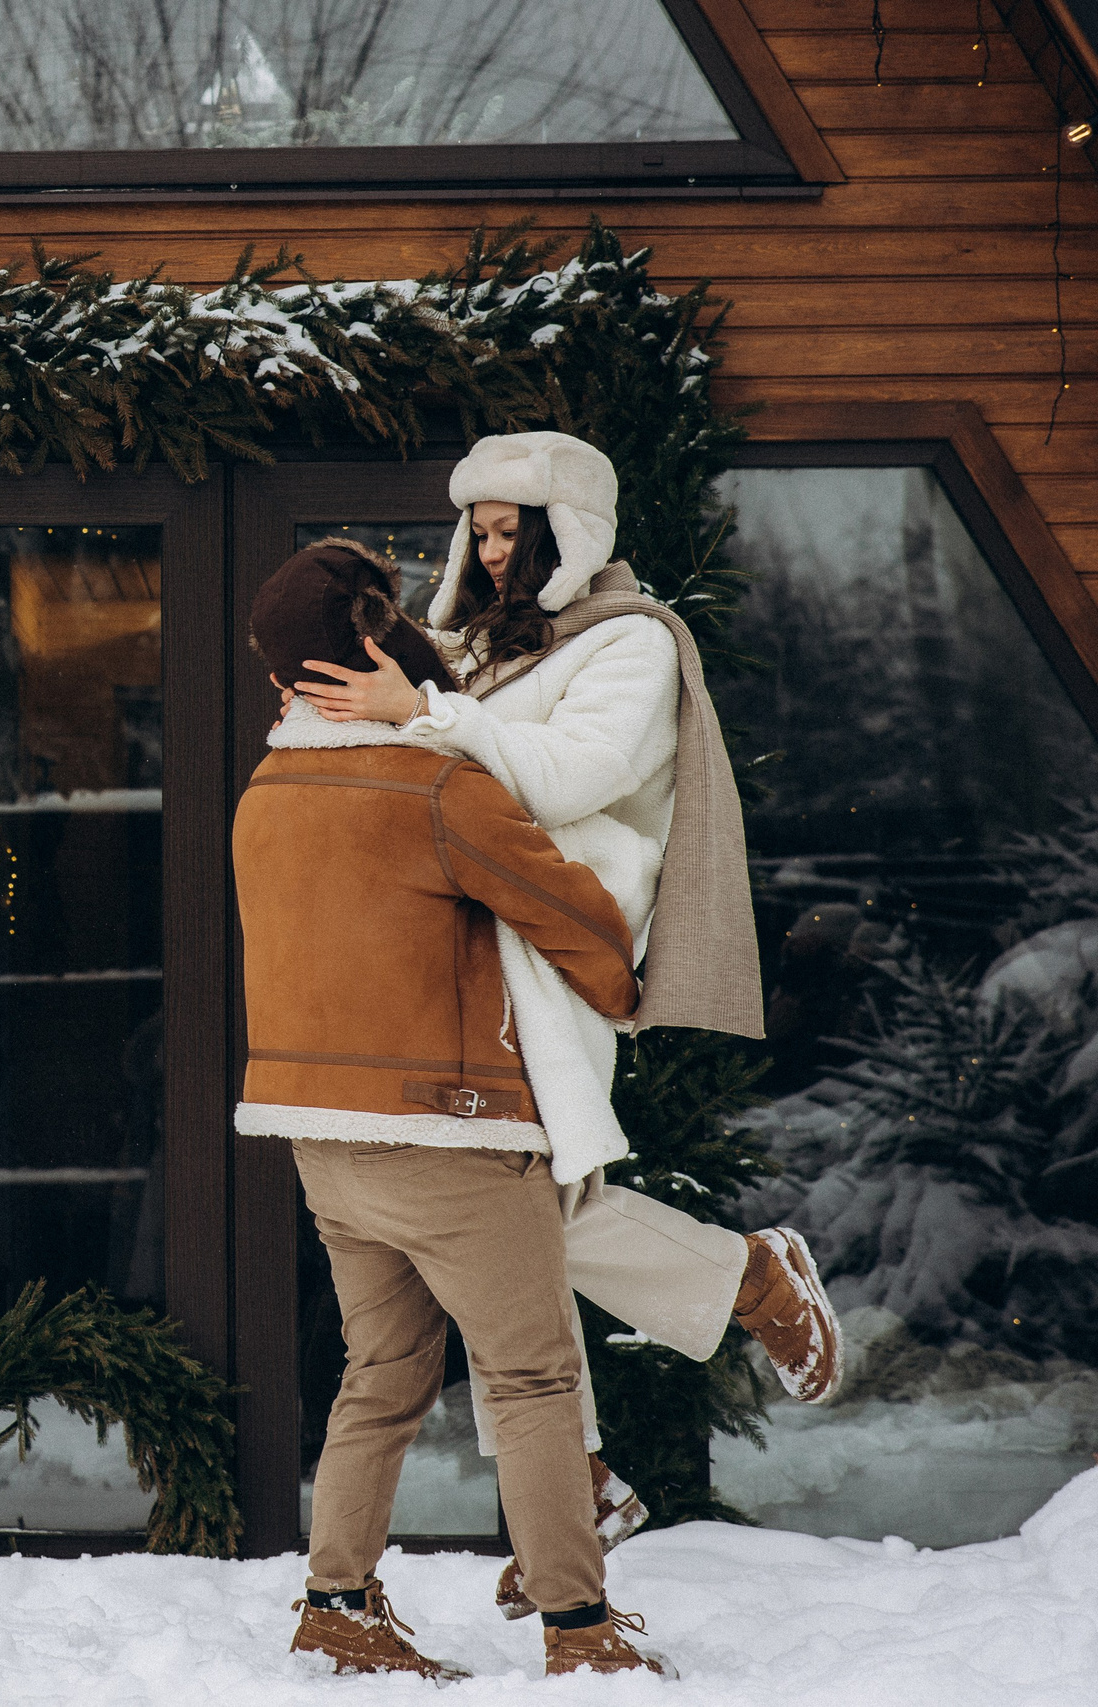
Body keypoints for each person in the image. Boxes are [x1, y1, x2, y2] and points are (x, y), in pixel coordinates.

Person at [288, 431, 841, 1617]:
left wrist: (425, 716)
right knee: (511, 1215)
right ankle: (598, 1454)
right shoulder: (471, 651)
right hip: (463, 938)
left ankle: (743, 1284)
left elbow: (572, 778)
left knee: (517, 1207)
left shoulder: (631, 642)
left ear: (568, 530)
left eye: (512, 531)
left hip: (557, 939)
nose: (492, 552)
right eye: (479, 531)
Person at [237, 542, 665, 1678]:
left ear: (287, 678)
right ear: (382, 649)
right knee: (531, 1379)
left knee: (379, 1374)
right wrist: (631, 990)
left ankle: (337, 1604)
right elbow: (581, 923)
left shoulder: (264, 794)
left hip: (321, 1139)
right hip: (455, 1131)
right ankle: (580, 1630)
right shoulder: (437, 789)